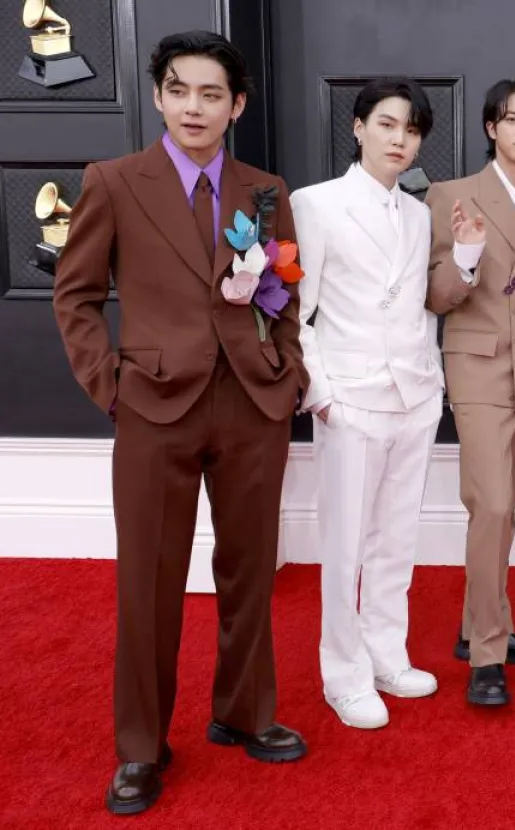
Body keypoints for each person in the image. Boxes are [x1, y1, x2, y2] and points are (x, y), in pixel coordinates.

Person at [52, 31, 309, 815]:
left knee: (250, 571)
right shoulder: (114, 182)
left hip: (252, 404)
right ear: (160, 96)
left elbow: (283, 292)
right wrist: (113, 387)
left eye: (211, 94)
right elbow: (77, 297)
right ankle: (141, 748)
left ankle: (244, 713)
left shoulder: (266, 190)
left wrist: (288, 371)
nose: (194, 107)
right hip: (153, 407)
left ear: (235, 107)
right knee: (149, 584)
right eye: (179, 90)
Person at [291, 78, 452, 729]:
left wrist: (431, 385)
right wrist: (323, 396)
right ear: (358, 127)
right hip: (350, 400)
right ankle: (344, 673)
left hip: (415, 395)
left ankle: (387, 652)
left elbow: (415, 305)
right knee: (346, 546)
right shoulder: (317, 203)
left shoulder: (418, 213)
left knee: (397, 540)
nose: (399, 139)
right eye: (387, 124)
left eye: (411, 130)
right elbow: (296, 315)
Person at [425, 75, 515, 706]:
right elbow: (437, 298)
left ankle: (477, 625)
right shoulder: (451, 195)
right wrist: (466, 257)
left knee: (504, 510)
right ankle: (488, 651)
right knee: (490, 505)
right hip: (479, 370)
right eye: (512, 120)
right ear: (491, 127)